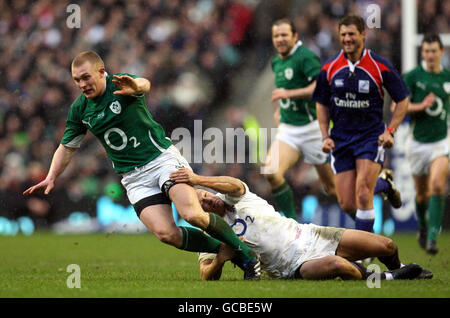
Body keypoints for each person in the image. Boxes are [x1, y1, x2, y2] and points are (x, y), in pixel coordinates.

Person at [23, 51, 261, 280]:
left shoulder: (121, 84)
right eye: (77, 80)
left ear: (101, 72)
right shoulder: (79, 109)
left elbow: (144, 84)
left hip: (161, 161)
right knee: (166, 234)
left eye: (86, 77)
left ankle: (247, 255)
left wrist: (136, 87)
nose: (82, 84)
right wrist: (52, 176)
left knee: (192, 215)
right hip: (133, 178)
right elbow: (67, 147)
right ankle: (230, 250)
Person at [169, 168, 432, 281]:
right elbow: (206, 274)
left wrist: (196, 178)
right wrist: (221, 260)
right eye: (201, 205)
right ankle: (389, 277)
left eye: (205, 195)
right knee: (339, 265)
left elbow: (234, 183)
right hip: (294, 266)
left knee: (386, 245)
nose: (207, 201)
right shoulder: (214, 233)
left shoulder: (236, 195)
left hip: (313, 235)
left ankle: (401, 270)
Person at [265, 18, 402, 225]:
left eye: (284, 35)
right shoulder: (277, 61)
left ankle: (370, 217)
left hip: (312, 129)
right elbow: (281, 92)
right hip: (289, 131)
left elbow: (316, 90)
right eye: (276, 36)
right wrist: (279, 110)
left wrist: (290, 93)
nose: (280, 39)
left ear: (295, 37)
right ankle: (292, 228)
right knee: (272, 172)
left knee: (336, 191)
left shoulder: (306, 58)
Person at [312, 15, 409, 233]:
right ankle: (384, 184)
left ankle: (364, 253)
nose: (347, 39)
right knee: (347, 203)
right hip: (341, 140)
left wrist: (391, 131)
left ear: (363, 34)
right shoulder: (328, 68)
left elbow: (403, 99)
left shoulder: (380, 65)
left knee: (364, 192)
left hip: (370, 137)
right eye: (343, 35)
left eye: (351, 34)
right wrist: (325, 136)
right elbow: (321, 104)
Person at [397, 34, 449, 254]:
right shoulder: (412, 77)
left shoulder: (447, 78)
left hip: (442, 143)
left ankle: (432, 238)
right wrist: (420, 106)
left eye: (433, 51)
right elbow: (397, 109)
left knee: (437, 185)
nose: (429, 55)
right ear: (422, 53)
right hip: (417, 144)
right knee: (421, 195)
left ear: (441, 52)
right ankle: (422, 226)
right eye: (426, 51)